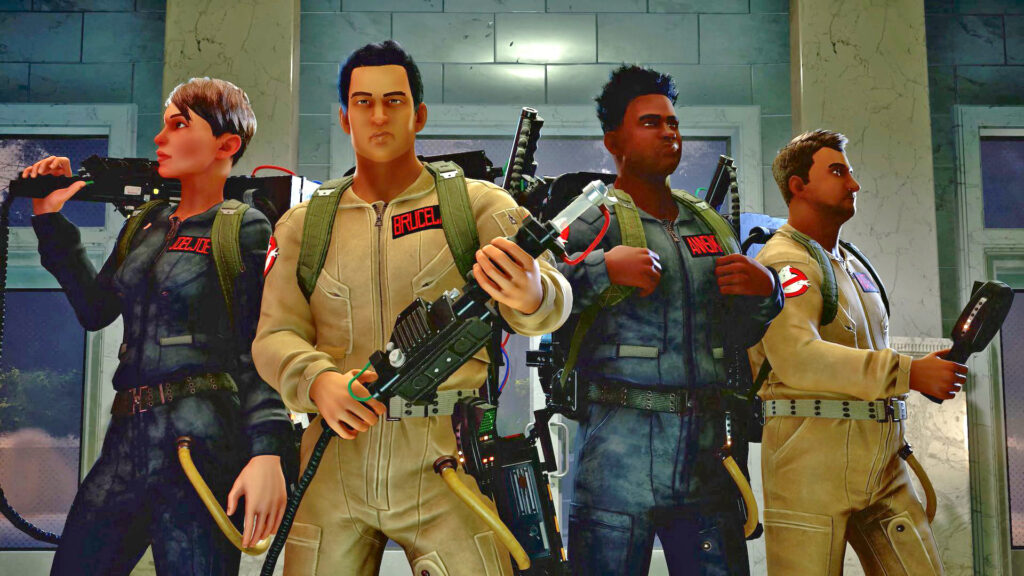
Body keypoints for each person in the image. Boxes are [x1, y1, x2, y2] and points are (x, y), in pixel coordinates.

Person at [252, 40, 572, 576]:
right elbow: (273, 335)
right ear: (344, 117)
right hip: (336, 459)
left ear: (418, 114)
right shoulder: (305, 225)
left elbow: (555, 296)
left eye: (394, 101)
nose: (378, 115)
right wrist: (318, 382)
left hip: (449, 459)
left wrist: (532, 294)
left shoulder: (477, 205)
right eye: (363, 102)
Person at [24, 77, 292, 575]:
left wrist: (267, 452)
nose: (160, 138)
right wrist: (49, 220)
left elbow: (259, 344)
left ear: (226, 145)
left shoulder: (243, 227)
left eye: (180, 125)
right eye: (164, 124)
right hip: (126, 439)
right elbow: (95, 310)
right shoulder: (144, 224)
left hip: (199, 441)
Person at [554, 64, 783, 576]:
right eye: (650, 123)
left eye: (672, 122)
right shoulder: (590, 221)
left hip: (706, 450)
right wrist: (601, 269)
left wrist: (766, 291)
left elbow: (740, 333)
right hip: (616, 447)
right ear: (614, 140)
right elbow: (537, 301)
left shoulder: (708, 224)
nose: (668, 133)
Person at [750, 129, 968, 575]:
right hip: (809, 465)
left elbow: (859, 350)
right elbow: (798, 357)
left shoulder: (850, 263)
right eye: (837, 172)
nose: (854, 184)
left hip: (883, 461)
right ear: (798, 186)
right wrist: (908, 372)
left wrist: (920, 372)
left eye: (849, 172)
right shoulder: (785, 262)